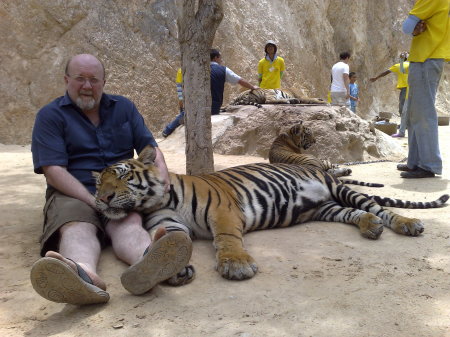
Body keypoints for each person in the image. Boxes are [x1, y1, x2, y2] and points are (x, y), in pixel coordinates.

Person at [30, 54, 192, 305]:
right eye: (80, 79)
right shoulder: (50, 116)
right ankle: (83, 276)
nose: (87, 86)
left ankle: (149, 259)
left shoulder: (123, 107)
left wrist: (161, 173)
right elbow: (54, 171)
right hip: (74, 190)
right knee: (77, 226)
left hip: (121, 188)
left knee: (129, 225)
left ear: (104, 81)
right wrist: (94, 201)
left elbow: (149, 147)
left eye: (94, 80)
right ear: (66, 80)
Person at [397, 0, 449, 179]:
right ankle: (415, 162)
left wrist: (413, 28)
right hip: (424, 58)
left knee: (423, 113)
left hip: (427, 58)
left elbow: (406, 27)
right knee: (414, 113)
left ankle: (428, 165)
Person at [162, 50, 258, 136]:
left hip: (199, 107)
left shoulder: (198, 69)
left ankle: (167, 130)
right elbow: (240, 80)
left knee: (186, 112)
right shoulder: (223, 70)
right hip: (215, 108)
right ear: (216, 58)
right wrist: (252, 87)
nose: (221, 60)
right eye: (220, 57)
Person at [370, 52, 410, 137]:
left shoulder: (399, 65)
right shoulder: (412, 65)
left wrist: (376, 78)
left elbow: (386, 72)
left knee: (403, 109)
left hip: (405, 89)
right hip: (413, 88)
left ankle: (404, 127)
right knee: (408, 109)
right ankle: (406, 125)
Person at [162, 68, 184, 137]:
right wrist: (181, 99)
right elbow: (179, 86)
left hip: (186, 96)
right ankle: (167, 130)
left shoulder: (181, 70)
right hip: (185, 97)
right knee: (183, 113)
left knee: (183, 114)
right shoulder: (181, 70)